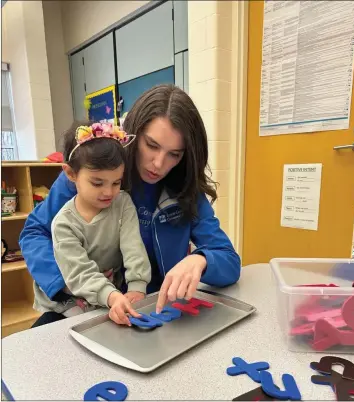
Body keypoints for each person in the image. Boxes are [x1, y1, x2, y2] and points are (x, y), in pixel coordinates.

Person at [19, 84, 241, 328]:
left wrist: (201, 260)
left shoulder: (185, 191)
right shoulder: (94, 173)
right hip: (85, 304)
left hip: (152, 307)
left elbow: (229, 261)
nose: (158, 163)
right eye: (152, 146)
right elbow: (34, 233)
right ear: (133, 135)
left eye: (174, 154)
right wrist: (73, 283)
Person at [34, 121, 150, 326]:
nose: (108, 192)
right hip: (66, 302)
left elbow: (133, 248)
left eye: (116, 182)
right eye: (97, 183)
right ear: (71, 174)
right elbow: (79, 274)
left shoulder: (123, 203)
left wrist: (137, 287)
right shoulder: (64, 223)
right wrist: (112, 296)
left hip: (106, 295)